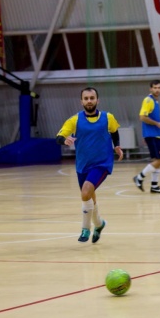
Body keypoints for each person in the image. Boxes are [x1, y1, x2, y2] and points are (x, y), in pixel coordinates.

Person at [56, 87, 123, 243]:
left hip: (102, 164)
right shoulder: (75, 120)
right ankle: (99, 224)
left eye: (92, 98)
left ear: (97, 100)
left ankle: (85, 229)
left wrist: (117, 146)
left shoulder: (108, 117)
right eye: (86, 98)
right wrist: (64, 140)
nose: (89, 101)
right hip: (83, 165)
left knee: (86, 191)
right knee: (88, 196)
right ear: (81, 102)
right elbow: (59, 136)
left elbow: (114, 131)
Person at [133, 80, 160, 193]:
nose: (157, 90)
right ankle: (139, 177)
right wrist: (157, 124)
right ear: (150, 89)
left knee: (157, 160)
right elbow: (142, 117)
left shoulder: (155, 101)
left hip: (154, 134)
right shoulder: (148, 100)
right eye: (155, 88)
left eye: (159, 88)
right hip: (152, 134)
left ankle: (154, 186)